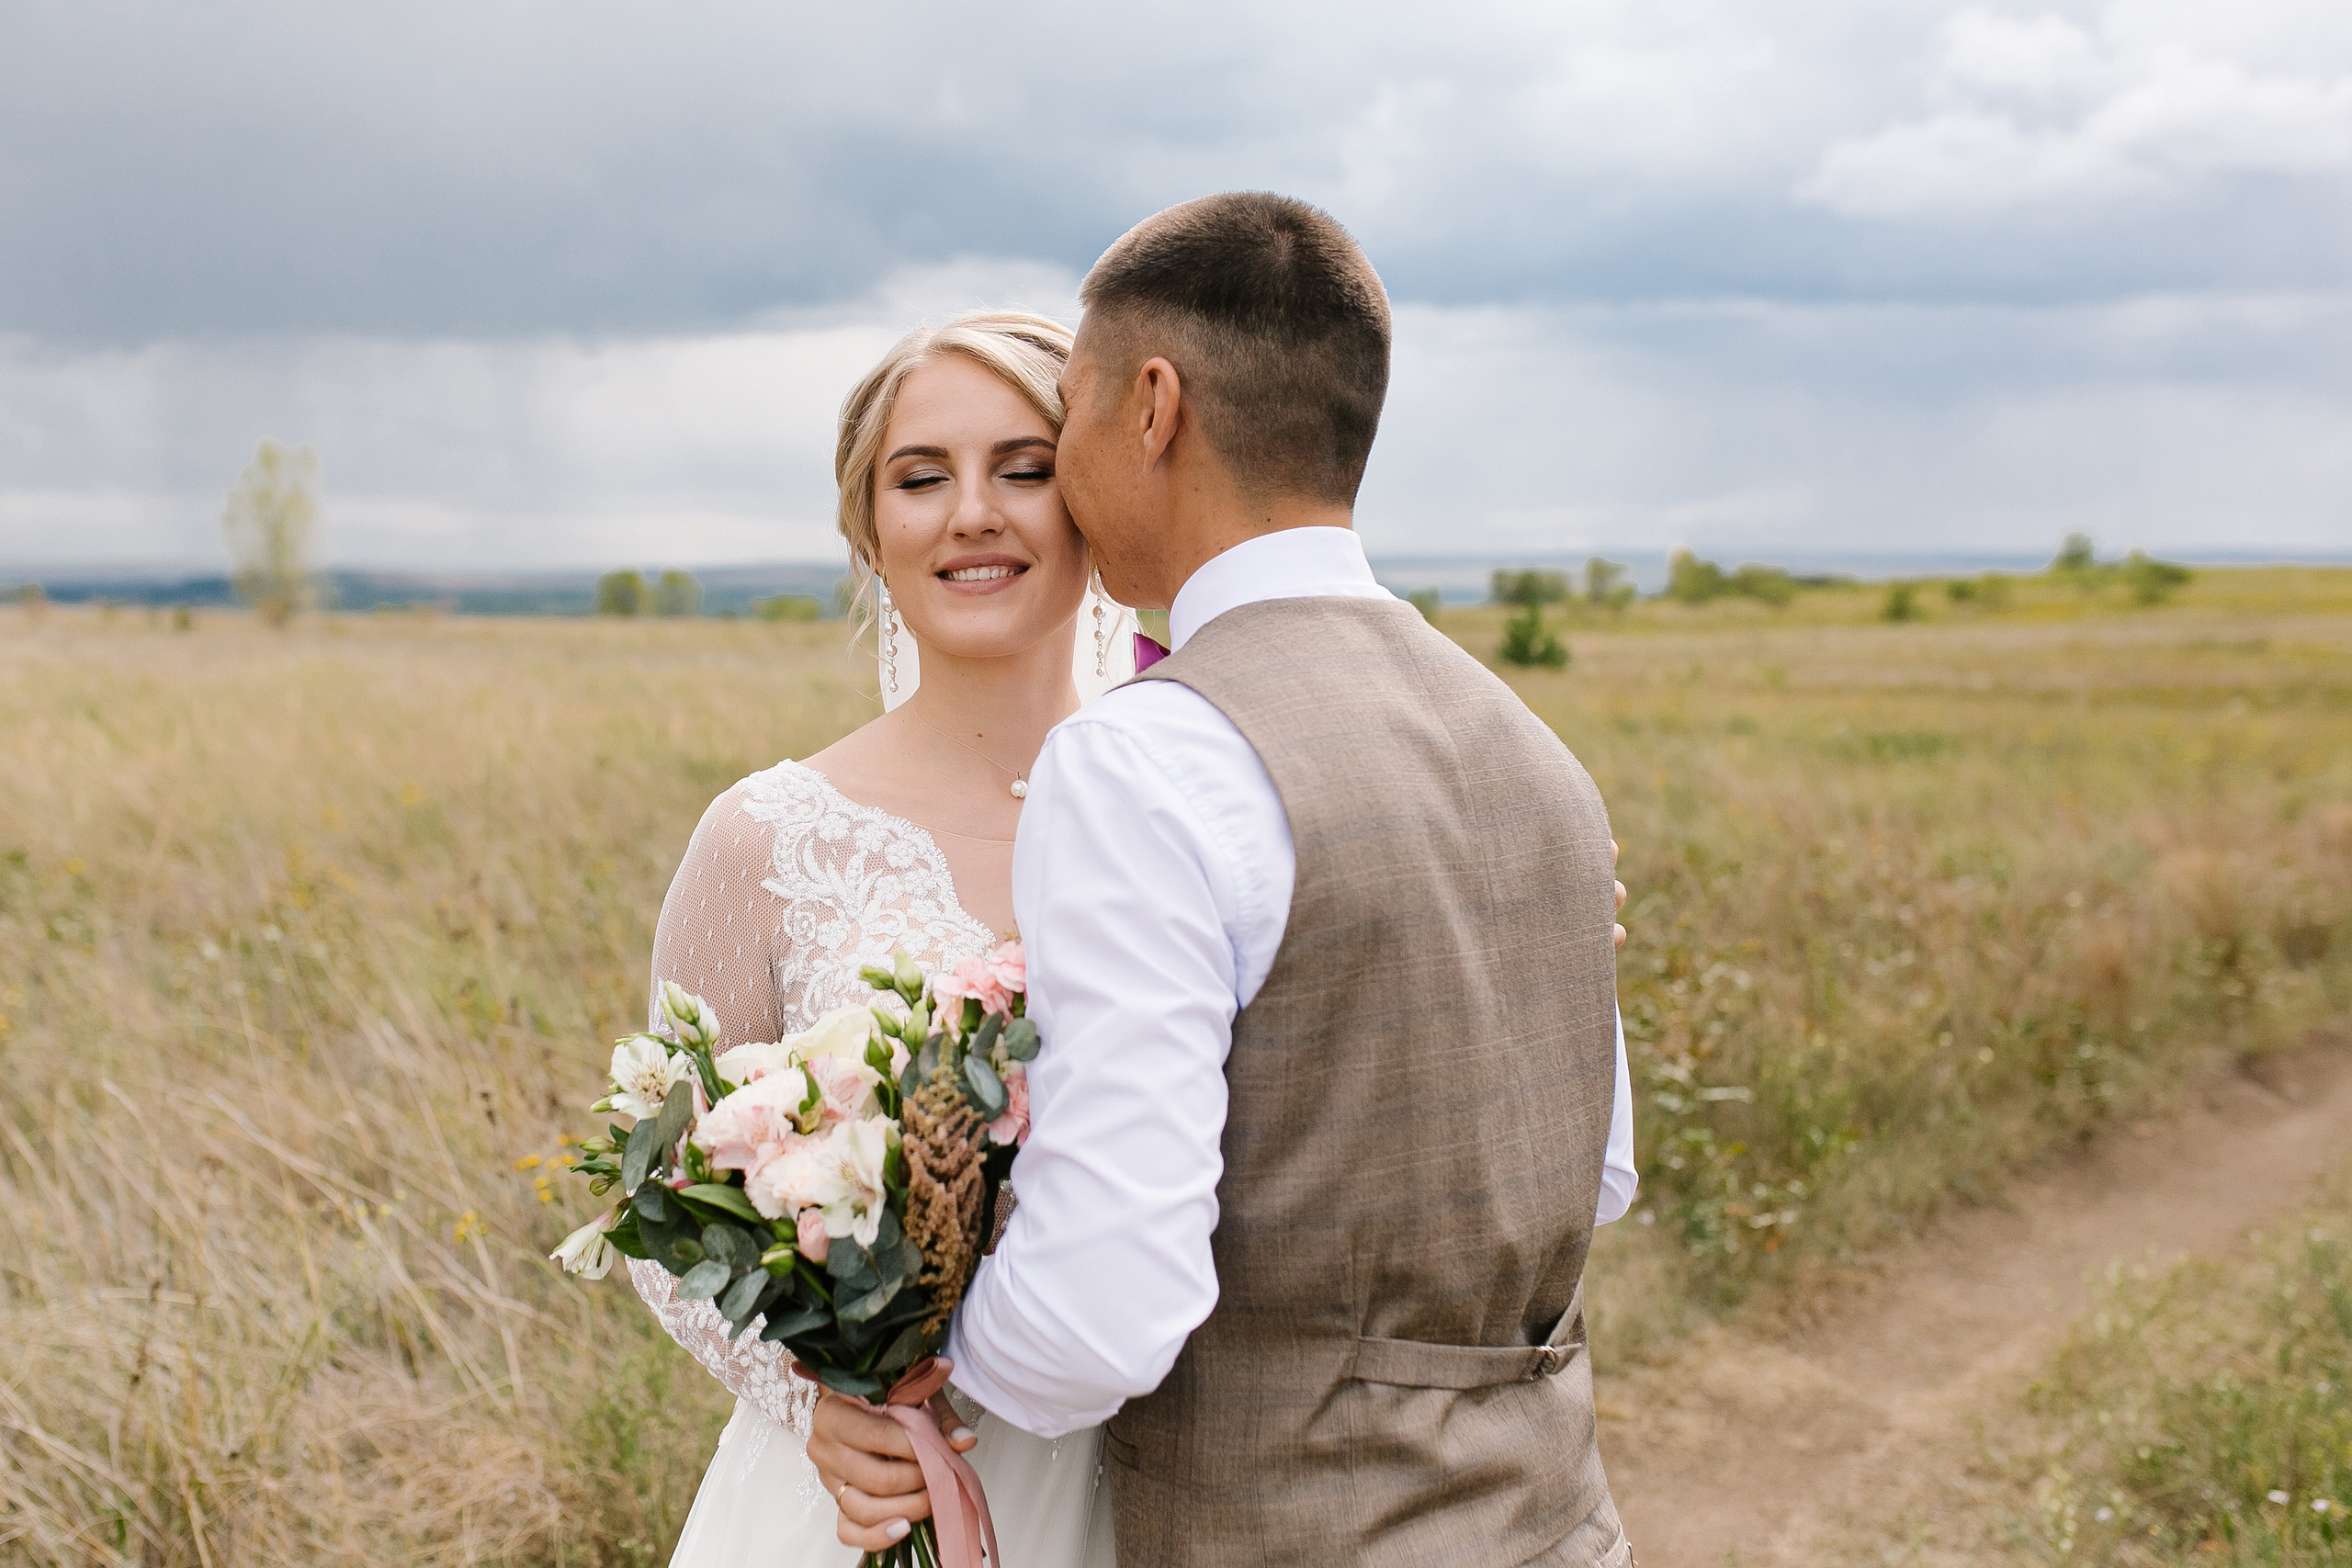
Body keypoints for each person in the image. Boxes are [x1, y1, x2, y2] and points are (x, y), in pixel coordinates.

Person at [808, 193, 1636, 1567]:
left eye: (1060, 417)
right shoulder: (1535, 751)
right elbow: (1588, 1176)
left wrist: (914, 1379)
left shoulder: (1150, 761)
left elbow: (1104, 1306)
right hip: (1557, 1530)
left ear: (1152, 407)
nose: (1056, 470)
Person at [631, 310, 1137, 1568]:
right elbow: (660, 1194)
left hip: (1163, 1481)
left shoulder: (1201, 814)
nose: (973, 511)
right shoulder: (765, 837)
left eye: (1024, 468)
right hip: (872, 1499)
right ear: (869, 532)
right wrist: (817, 1405)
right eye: (922, 478)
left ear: (1097, 503)